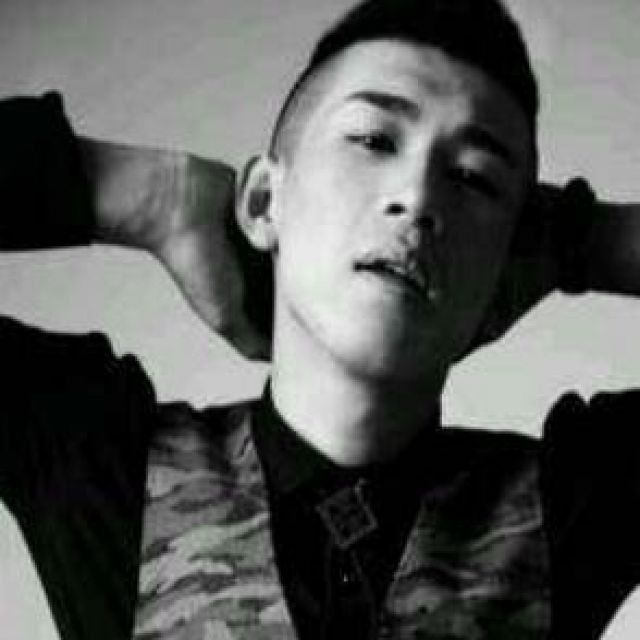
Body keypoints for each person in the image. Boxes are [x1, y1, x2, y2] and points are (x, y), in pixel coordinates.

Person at [2, 0, 640, 638]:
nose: (418, 198)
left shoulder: (566, 508)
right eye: (375, 140)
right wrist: (151, 194)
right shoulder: (108, 467)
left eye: (474, 178)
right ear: (263, 200)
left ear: (509, 264)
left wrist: (582, 240)